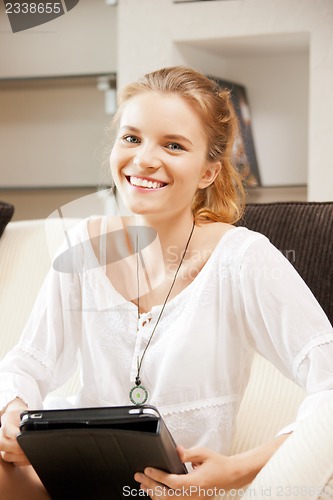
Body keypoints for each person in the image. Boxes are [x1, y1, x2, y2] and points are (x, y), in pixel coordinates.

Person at [0, 66, 332, 500]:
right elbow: (27, 363)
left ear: (210, 171)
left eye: (173, 145)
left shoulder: (242, 258)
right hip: (72, 479)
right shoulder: (85, 244)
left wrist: (236, 471)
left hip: (173, 494)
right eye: (132, 138)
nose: (143, 160)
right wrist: (12, 414)